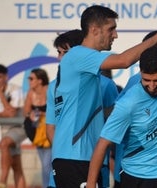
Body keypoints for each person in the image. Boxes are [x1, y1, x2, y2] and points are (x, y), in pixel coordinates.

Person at [51, 4, 157, 188]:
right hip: (75, 156)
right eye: (111, 29)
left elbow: (106, 111)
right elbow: (124, 61)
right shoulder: (79, 54)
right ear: (94, 30)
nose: (115, 35)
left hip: (82, 156)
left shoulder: (84, 64)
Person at [86, 46, 157, 188]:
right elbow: (103, 144)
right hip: (134, 175)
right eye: (147, 80)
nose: (152, 86)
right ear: (141, 72)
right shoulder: (128, 103)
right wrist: (91, 184)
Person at [46, 29, 119, 188]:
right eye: (59, 52)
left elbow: (115, 120)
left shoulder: (105, 85)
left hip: (93, 162)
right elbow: (51, 128)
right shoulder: (53, 86)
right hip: (63, 163)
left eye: (65, 52)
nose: (61, 58)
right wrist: (63, 151)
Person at [0, 64, 26, 188]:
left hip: (19, 128)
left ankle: (2, 181)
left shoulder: (15, 89)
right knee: (16, 166)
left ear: (6, 77)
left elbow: (12, 113)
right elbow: (6, 113)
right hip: (4, 129)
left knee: (4, 143)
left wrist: (0, 93)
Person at [23, 68, 51, 188]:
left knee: (47, 165)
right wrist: (31, 115)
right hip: (37, 133)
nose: (29, 81)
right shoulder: (30, 93)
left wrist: (43, 115)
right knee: (44, 164)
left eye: (31, 78)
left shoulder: (49, 90)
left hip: (49, 132)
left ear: (40, 80)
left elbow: (56, 110)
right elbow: (26, 111)